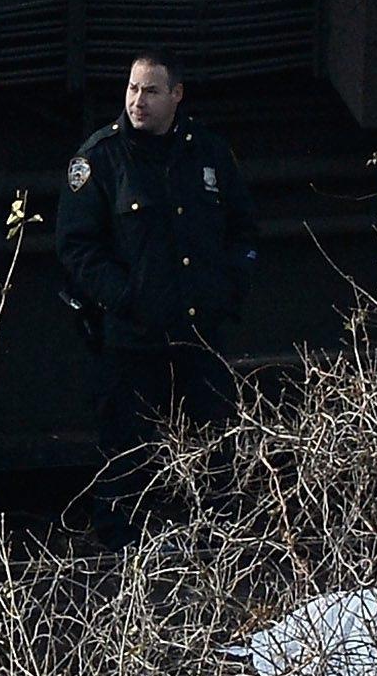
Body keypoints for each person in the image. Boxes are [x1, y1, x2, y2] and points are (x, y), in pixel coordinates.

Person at [53, 50, 257, 536]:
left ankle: (218, 547)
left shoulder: (208, 153)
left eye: (150, 91)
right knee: (125, 458)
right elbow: (77, 248)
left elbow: (243, 231)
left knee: (215, 454)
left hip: (198, 334)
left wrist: (226, 290)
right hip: (132, 340)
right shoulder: (100, 159)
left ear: (176, 95)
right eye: (132, 88)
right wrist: (127, 298)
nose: (137, 101)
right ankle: (122, 556)